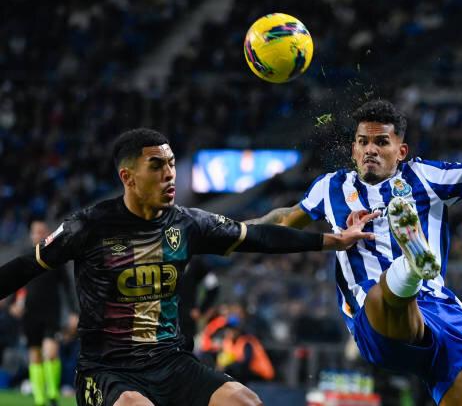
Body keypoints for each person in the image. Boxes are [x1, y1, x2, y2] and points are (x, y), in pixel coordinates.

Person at [0, 128, 376, 406]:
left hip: (172, 363)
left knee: (246, 402)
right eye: (156, 165)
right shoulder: (89, 226)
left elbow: (260, 236)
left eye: (171, 163)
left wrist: (332, 240)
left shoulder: (188, 224)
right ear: (127, 177)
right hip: (107, 371)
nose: (169, 174)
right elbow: (26, 265)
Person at [247, 74, 462, 405]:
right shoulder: (331, 187)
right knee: (386, 294)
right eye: (363, 142)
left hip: (443, 313)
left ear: (401, 151)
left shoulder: (426, 176)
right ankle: (410, 265)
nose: (370, 150)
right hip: (375, 318)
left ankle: (411, 265)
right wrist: (228, 230)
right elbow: (283, 221)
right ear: (353, 150)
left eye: (381, 142)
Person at [10, 220, 79, 406]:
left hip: (51, 313)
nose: (39, 235)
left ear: (48, 233)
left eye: (42, 231)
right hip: (30, 313)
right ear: (31, 235)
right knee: (35, 354)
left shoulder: (56, 257)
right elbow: (15, 281)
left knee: (51, 353)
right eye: (35, 231)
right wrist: (12, 304)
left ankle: (53, 394)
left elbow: (67, 287)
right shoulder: (25, 257)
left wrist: (73, 312)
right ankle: (40, 399)